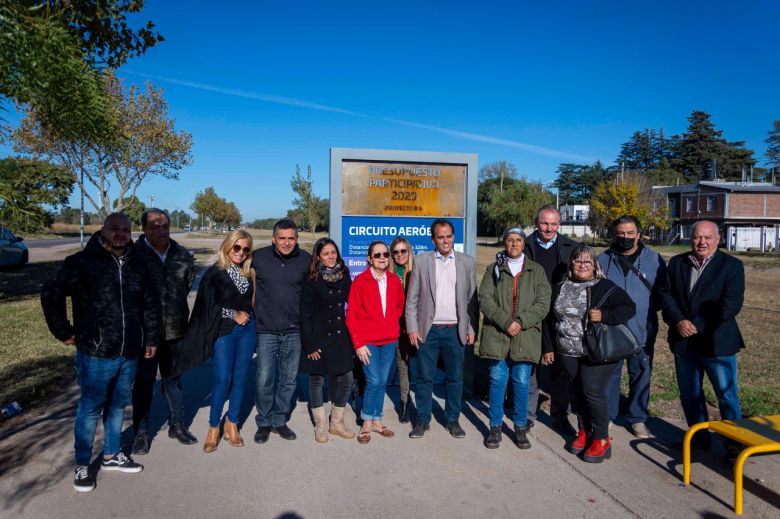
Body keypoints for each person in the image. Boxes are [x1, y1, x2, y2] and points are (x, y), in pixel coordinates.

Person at [41, 212, 159, 492]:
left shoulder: (139, 265)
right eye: (114, 228)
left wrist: (151, 337)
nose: (120, 233)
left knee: (118, 405)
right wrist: (64, 331)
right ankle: (82, 463)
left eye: (125, 229)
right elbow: (51, 292)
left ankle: (111, 454)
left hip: (129, 350)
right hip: (95, 351)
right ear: (102, 230)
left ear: (131, 232)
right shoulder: (82, 263)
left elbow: (150, 305)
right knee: (90, 409)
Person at [660, 220, 745, 462]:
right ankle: (699, 437)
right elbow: (666, 295)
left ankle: (734, 444)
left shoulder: (732, 266)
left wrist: (696, 324)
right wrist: (678, 321)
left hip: (717, 344)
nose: (702, 242)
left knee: (726, 396)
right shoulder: (678, 263)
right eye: (697, 237)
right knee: (690, 394)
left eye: (708, 237)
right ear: (690, 238)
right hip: (684, 343)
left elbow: (730, 305)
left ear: (718, 239)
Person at [544, 243, 635, 463]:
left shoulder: (605, 287)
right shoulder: (561, 287)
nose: (582, 265)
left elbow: (628, 308)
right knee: (576, 391)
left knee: (592, 390)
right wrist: (548, 347)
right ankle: (585, 431)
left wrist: (603, 315)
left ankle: (602, 438)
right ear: (571, 264)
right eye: (578, 261)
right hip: (568, 349)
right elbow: (549, 319)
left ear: (595, 266)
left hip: (596, 351)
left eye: (587, 261)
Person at [177, 230, 256, 453]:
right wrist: (234, 314)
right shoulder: (215, 274)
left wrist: (248, 317)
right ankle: (214, 427)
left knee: (240, 378)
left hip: (248, 331)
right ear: (227, 246)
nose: (241, 252)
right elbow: (206, 306)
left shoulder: (249, 272)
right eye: (237, 247)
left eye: (246, 248)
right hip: (224, 333)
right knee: (222, 379)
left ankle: (232, 424)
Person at [477, 228, 551, 449]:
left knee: (521, 382)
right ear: (504, 243)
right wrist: (506, 322)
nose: (514, 244)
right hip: (498, 336)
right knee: (497, 382)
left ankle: (520, 427)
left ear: (523, 244)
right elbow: (485, 299)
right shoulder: (494, 270)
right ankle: (495, 427)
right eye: (509, 240)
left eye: (518, 240)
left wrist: (521, 321)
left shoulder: (536, 271)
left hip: (525, 337)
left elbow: (543, 302)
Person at [131, 208, 197, 454]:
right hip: (145, 334)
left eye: (164, 225)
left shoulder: (182, 255)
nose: (160, 230)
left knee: (173, 382)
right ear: (144, 229)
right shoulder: (134, 256)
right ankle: (141, 432)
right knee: (144, 384)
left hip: (176, 331)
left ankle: (177, 425)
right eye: (154, 226)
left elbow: (187, 285)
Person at [405, 219, 479, 439]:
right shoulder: (421, 261)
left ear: (453, 237)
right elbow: (412, 299)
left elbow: (472, 300)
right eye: (440, 237)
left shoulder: (467, 262)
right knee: (424, 378)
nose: (445, 241)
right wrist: (412, 328)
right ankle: (423, 420)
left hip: (455, 329)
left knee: (455, 378)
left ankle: (453, 420)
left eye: (448, 236)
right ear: (433, 239)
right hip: (428, 330)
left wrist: (472, 327)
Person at [597, 215, 666, 439]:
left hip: (642, 329)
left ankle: (638, 419)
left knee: (641, 373)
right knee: (610, 375)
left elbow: (662, 293)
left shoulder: (654, 260)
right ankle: (608, 417)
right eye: (620, 233)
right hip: (612, 329)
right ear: (614, 234)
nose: (625, 237)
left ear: (638, 234)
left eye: (629, 233)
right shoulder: (602, 259)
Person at [252, 219, 311, 443]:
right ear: (273, 239)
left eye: (291, 238)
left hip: (294, 330)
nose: (287, 243)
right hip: (266, 330)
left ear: (297, 239)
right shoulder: (258, 258)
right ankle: (264, 421)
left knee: (288, 380)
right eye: (282, 238)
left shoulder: (305, 260)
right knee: (264, 378)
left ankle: (279, 420)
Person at [523, 205, 577, 435]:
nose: (549, 228)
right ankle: (526, 414)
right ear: (537, 223)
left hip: (559, 314)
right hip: (531, 312)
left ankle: (559, 415)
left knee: (560, 370)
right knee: (529, 366)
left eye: (554, 224)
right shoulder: (523, 245)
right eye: (545, 223)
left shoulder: (571, 247)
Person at [346, 241, 405, 444]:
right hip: (367, 341)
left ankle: (377, 419)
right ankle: (366, 422)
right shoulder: (360, 282)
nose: (382, 258)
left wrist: (389, 323)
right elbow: (351, 314)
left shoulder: (394, 280)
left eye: (385, 254)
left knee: (382, 380)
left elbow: (399, 306)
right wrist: (358, 343)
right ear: (369, 259)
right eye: (377, 255)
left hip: (389, 340)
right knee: (374, 380)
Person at [299, 238, 355, 443]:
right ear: (318, 257)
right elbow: (304, 314)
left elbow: (354, 303)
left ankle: (336, 423)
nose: (331, 257)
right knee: (316, 380)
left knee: (347, 378)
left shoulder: (344, 275)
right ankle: (321, 424)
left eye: (334, 252)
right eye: (326, 254)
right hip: (318, 335)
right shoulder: (311, 279)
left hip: (340, 335)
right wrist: (310, 344)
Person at [389, 236, 416, 423]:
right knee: (402, 366)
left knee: (418, 365)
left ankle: (419, 401)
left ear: (409, 252)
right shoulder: (387, 273)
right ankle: (405, 401)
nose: (399, 255)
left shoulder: (417, 271)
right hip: (395, 326)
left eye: (403, 251)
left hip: (415, 326)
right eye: (396, 252)